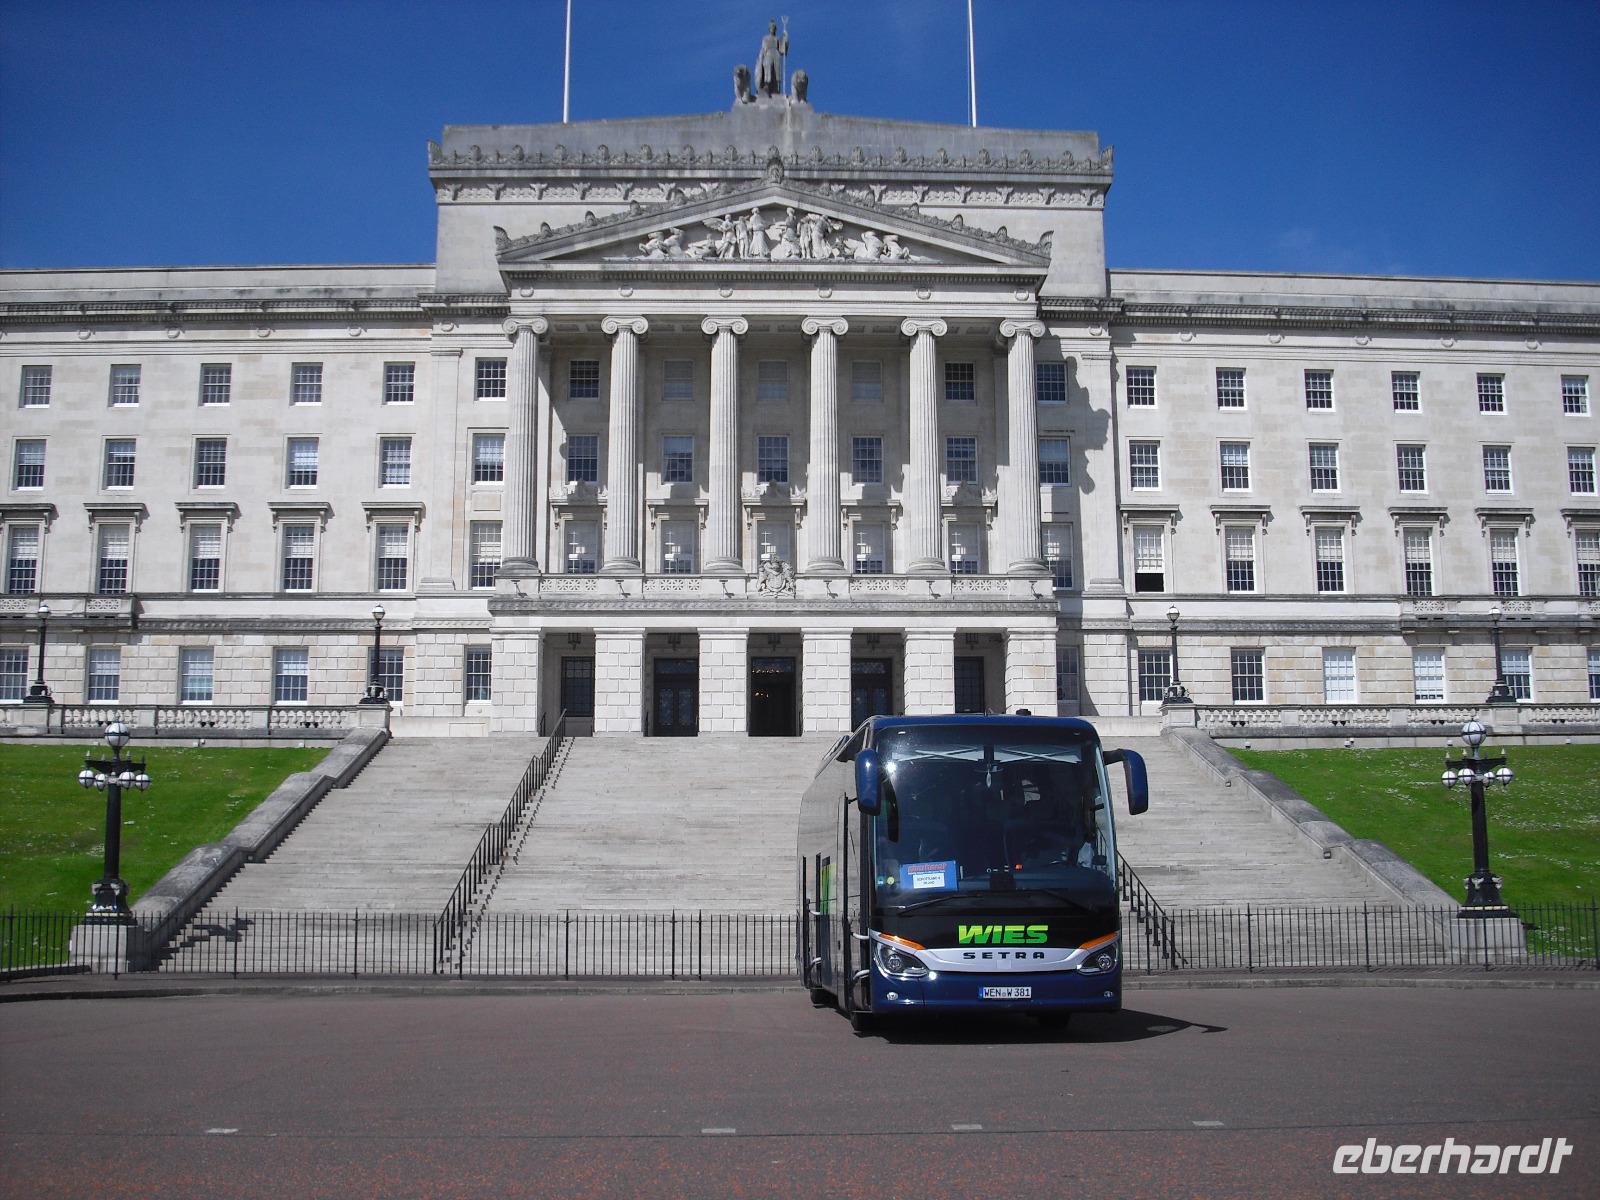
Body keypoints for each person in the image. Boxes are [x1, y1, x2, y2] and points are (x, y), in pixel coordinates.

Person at [755, 20, 787, 97]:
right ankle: (767, 85)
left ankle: (776, 88)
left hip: (776, 55)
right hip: (768, 54)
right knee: (768, 68)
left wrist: (785, 38)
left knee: (776, 71)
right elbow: (763, 49)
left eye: (774, 27)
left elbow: (782, 50)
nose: (773, 29)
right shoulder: (765, 38)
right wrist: (760, 58)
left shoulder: (777, 39)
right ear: (769, 29)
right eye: (771, 27)